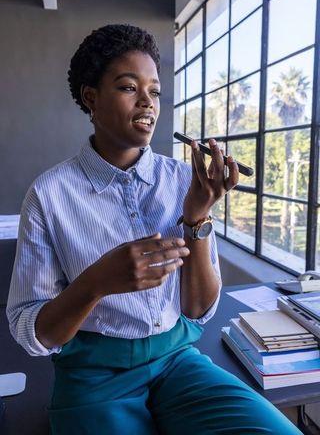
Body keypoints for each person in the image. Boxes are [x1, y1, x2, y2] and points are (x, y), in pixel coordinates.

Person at [7, 24, 301, 434]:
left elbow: (198, 310)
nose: (148, 102)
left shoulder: (185, 179)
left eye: (155, 90)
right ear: (91, 98)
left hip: (177, 362)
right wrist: (95, 283)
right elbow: (30, 333)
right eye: (129, 87)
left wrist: (196, 215)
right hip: (93, 377)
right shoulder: (49, 194)